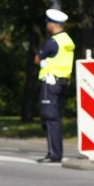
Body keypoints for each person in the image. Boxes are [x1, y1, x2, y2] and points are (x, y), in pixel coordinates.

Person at [34, 8, 75, 163]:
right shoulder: (68, 40)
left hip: (50, 83)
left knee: (49, 118)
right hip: (63, 82)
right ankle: (57, 152)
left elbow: (38, 59)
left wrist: (42, 60)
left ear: (52, 25)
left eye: (48, 23)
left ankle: (54, 154)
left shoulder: (52, 42)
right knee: (56, 118)